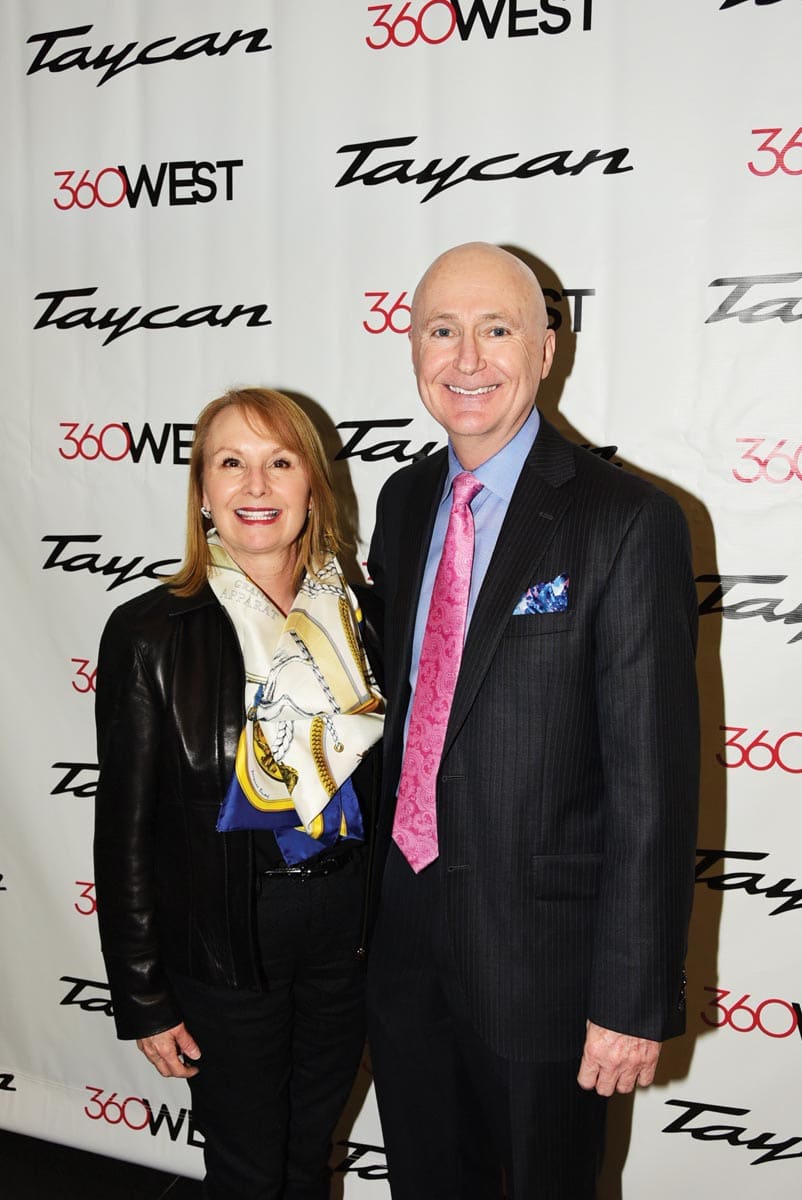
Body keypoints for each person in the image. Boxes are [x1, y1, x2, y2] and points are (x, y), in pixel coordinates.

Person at [365, 243, 699, 1198]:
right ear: (414, 349)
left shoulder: (627, 521)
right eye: (442, 330)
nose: (467, 359)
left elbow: (652, 783)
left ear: (546, 350)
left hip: (546, 972)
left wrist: (629, 998)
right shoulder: (403, 500)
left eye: (497, 329)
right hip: (402, 944)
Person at [94, 387, 384, 1200]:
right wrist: (144, 996)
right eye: (231, 463)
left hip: (347, 935)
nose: (256, 486)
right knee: (249, 1172)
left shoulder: (366, 618)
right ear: (202, 491)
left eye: (279, 462)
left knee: (307, 1155)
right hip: (226, 940)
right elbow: (124, 835)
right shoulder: (149, 633)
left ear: (313, 487)